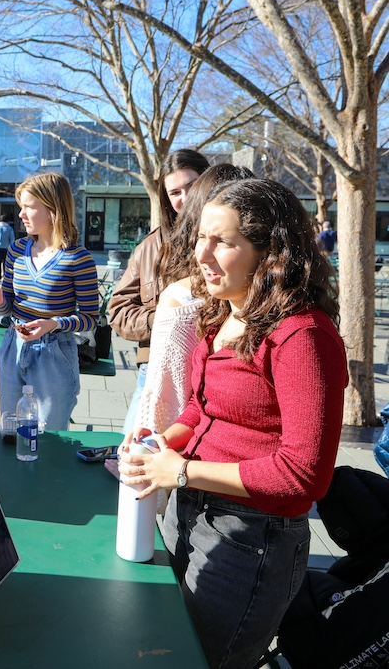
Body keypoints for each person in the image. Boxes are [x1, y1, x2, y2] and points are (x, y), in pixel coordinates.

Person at [118, 178, 347, 669]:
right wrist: (163, 440)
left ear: (270, 253)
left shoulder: (303, 337)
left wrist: (178, 472)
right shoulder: (225, 314)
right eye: (201, 236)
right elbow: (203, 410)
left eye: (223, 241)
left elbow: (303, 475)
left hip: (251, 538)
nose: (201, 253)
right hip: (191, 512)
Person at [132, 164, 254, 435]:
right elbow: (172, 409)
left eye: (223, 240)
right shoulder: (180, 296)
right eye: (175, 191)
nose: (183, 198)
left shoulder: (278, 314)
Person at [0, 172, 99, 432]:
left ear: (53, 209)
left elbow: (91, 317)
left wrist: (53, 324)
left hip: (55, 354)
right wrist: (1, 301)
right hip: (13, 346)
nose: (21, 214)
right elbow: (9, 306)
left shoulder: (78, 259)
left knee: (49, 437)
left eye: (29, 207)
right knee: (11, 431)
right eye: (21, 207)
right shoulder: (15, 250)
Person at [109, 148, 210, 435]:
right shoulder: (149, 248)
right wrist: (163, 320)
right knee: (135, 457)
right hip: (156, 371)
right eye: (175, 192)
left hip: (213, 375)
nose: (185, 199)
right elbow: (118, 310)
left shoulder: (235, 238)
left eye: (192, 186)